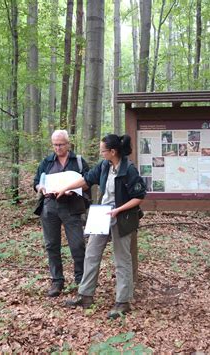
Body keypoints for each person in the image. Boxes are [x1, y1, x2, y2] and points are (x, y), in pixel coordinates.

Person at [55, 134, 146, 319]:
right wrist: (66, 188)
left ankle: (123, 301)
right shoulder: (104, 165)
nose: (101, 153)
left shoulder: (129, 169)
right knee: (91, 253)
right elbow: (87, 180)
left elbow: (139, 196)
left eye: (103, 150)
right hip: (101, 214)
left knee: (122, 259)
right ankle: (85, 295)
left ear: (112, 151)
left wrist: (118, 210)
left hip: (122, 217)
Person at [33, 130, 89, 297]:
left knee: (77, 245)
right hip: (49, 206)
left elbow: (88, 180)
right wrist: (40, 188)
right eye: (55, 145)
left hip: (71, 206)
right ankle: (57, 281)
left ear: (68, 144)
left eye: (61, 144)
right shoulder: (47, 162)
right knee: (51, 245)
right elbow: (37, 182)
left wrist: (73, 190)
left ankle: (81, 280)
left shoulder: (78, 161)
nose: (58, 148)